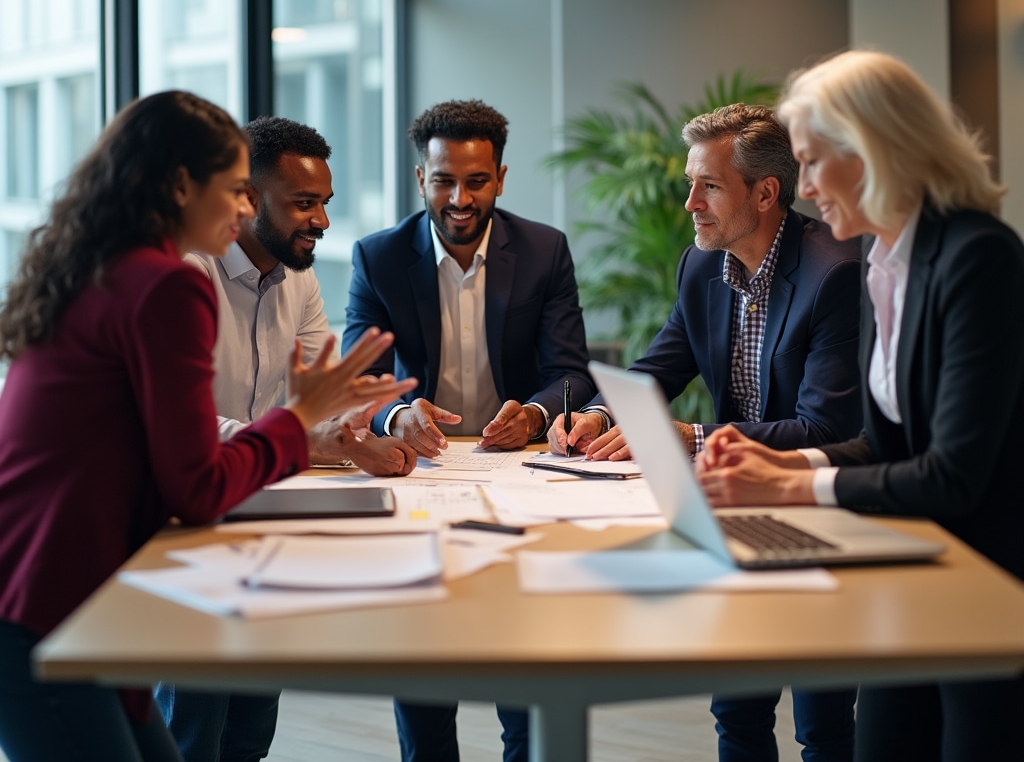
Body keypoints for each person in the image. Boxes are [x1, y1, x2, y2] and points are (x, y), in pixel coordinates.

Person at [0, 91, 416, 762]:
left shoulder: (101, 266)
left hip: (60, 586)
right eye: (234, 191)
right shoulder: (170, 284)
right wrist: (298, 422)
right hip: (48, 599)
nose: (244, 209)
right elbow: (197, 485)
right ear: (180, 187)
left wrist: (321, 417)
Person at [697, 51, 1024, 762]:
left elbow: (951, 475)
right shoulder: (880, 260)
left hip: (987, 590)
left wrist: (789, 487)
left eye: (813, 163)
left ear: (874, 149)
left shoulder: (978, 257)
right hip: (912, 575)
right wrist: (780, 461)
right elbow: (886, 444)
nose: (807, 188)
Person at [554, 103, 862, 762]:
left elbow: (825, 428)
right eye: (691, 184)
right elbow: (659, 366)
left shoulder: (834, 272)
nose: (690, 203)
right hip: (730, 509)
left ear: (766, 193)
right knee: (737, 711)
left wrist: (693, 439)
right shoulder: (702, 267)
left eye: (710, 186)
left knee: (823, 727)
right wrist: (600, 417)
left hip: (815, 511)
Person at [155, 116, 416, 762]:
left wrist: (365, 426)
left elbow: (318, 398)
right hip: (186, 518)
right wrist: (302, 435)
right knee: (194, 725)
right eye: (303, 203)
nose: (321, 221)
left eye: (325, 203)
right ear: (247, 198)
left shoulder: (299, 278)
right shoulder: (187, 273)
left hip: (264, 511)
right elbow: (182, 427)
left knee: (251, 729)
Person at [343, 98, 595, 762]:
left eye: (476, 181)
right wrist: (396, 414)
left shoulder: (543, 250)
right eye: (444, 181)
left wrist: (535, 413)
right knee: (423, 656)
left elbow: (569, 370)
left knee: (526, 656)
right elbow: (358, 377)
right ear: (420, 179)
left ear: (501, 178)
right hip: (420, 475)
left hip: (523, 474)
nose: (459, 199)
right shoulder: (378, 256)